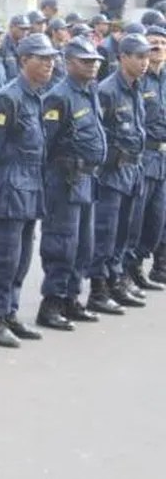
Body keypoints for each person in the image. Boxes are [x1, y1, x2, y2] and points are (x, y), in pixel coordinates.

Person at [0, 33, 58, 347]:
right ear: (24, 60)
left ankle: (10, 312)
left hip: (31, 186)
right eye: (42, 59)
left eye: (52, 59)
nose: (50, 64)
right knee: (5, 257)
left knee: (23, 257)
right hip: (11, 186)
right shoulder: (8, 98)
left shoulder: (38, 95)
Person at [37, 36, 108, 329]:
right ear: (69, 63)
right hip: (65, 179)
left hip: (87, 179)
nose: (92, 66)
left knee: (83, 245)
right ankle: (52, 303)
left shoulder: (89, 91)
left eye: (95, 61)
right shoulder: (59, 95)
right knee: (61, 244)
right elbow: (47, 143)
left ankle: (71, 298)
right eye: (85, 61)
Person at [90, 33, 152, 311]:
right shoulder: (107, 90)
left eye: (146, 57)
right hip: (112, 173)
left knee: (126, 232)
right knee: (106, 233)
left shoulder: (136, 87)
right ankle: (98, 290)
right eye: (138, 56)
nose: (144, 62)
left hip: (133, 170)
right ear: (122, 57)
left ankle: (116, 281)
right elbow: (99, 134)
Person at [130, 26, 166, 287]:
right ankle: (130, 269)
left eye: (163, 43)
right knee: (138, 217)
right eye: (153, 44)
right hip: (145, 155)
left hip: (164, 158)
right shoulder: (138, 80)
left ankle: (149, 265)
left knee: (158, 218)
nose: (159, 48)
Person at [2, 14, 31, 80]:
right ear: (11, 27)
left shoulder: (25, 45)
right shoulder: (2, 46)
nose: (25, 32)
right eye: (22, 29)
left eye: (27, 29)